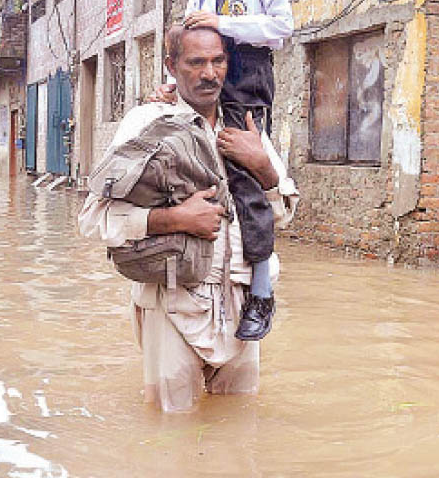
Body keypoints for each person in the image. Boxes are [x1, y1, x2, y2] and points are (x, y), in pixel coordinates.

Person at [78, 26, 297, 412]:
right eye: (195, 63)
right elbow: (93, 220)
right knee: (169, 427)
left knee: (238, 423)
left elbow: (283, 215)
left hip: (244, 305)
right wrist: (175, 218)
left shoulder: (244, 124)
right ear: (171, 67)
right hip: (172, 301)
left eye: (217, 61)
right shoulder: (147, 123)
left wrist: (264, 169)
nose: (209, 73)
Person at [153, 0, 294, 341]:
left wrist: (223, 24)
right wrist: (175, 83)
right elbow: (192, 43)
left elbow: (281, 27)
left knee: (247, 179)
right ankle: (198, 275)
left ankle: (262, 290)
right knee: (198, 171)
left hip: (247, 80)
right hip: (209, 80)